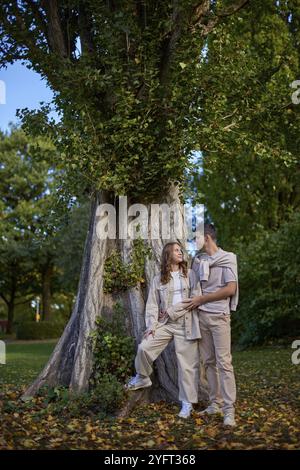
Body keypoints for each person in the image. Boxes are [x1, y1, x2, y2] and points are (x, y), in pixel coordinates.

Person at [126, 242, 202, 418]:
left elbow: (195, 299)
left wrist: (170, 311)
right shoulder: (158, 279)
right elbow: (152, 305)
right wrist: (151, 326)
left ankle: (187, 404)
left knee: (186, 366)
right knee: (144, 347)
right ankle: (143, 376)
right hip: (165, 324)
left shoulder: (190, 275)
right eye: (176, 250)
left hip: (186, 323)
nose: (180, 252)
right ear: (168, 254)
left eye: (181, 250)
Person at [183, 223, 238, 427]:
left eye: (195, 238)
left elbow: (230, 289)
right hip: (202, 317)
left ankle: (229, 410)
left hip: (219, 316)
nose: (192, 242)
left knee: (224, 363)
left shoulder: (228, 258)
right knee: (208, 362)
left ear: (206, 238)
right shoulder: (198, 261)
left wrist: (202, 299)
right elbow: (192, 285)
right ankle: (215, 403)